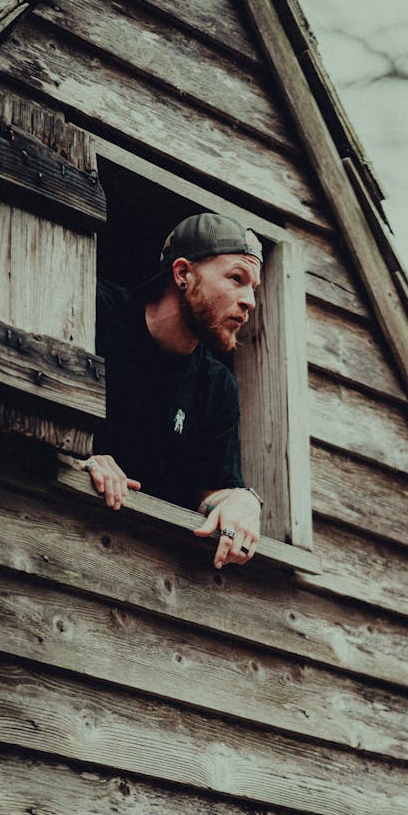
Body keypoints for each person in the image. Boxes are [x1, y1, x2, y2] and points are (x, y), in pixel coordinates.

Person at [84, 212, 264, 570]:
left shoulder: (217, 386)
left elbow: (214, 492)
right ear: (183, 274)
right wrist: (80, 455)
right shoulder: (95, 310)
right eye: (236, 279)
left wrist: (243, 501)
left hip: (151, 572)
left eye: (253, 289)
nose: (250, 302)